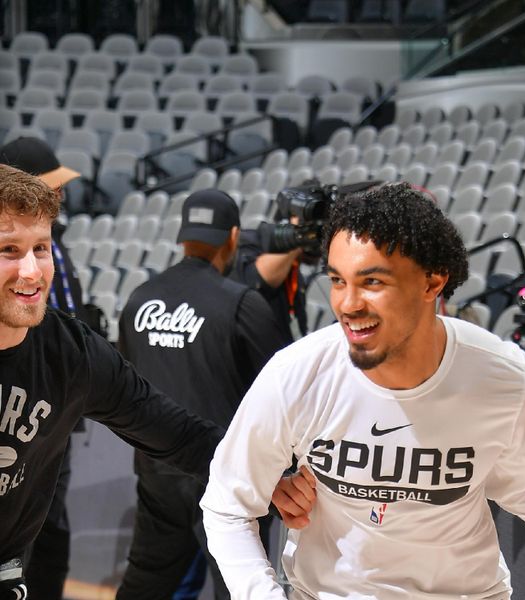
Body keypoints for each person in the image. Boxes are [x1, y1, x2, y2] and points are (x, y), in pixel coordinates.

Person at [200, 182, 525, 598]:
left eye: (372, 283)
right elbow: (228, 505)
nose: (347, 304)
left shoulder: (507, 378)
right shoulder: (296, 372)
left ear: (432, 283)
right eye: (337, 280)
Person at [0, 165, 311, 600]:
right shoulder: (240, 303)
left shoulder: (72, 352)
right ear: (233, 239)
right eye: (9, 250)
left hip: (17, 564)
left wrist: (262, 474)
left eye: (42, 248)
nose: (32, 271)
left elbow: (170, 427)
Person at [116, 189, 290, 598]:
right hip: (224, 473)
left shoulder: (140, 299)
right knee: (236, 585)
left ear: (182, 236)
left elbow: (126, 380)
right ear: (232, 236)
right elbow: (284, 387)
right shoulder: (242, 303)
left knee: (145, 582)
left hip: (156, 469)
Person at [0, 136, 99, 600]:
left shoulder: (53, 244)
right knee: (35, 524)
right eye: (50, 185)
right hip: (35, 402)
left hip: (51, 401)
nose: (59, 195)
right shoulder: (43, 252)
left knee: (48, 520)